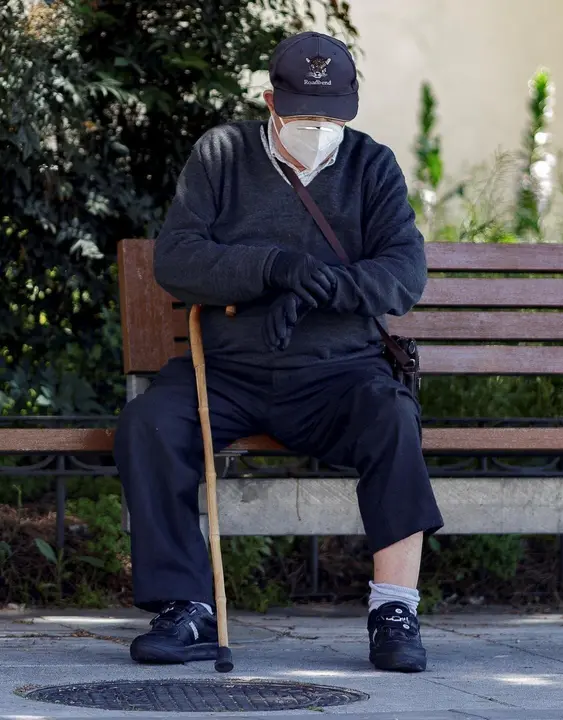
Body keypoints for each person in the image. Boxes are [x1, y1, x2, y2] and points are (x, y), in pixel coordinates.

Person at [113, 31, 444, 674]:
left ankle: (394, 609)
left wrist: (323, 291)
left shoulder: (372, 165)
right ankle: (185, 607)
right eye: (303, 116)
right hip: (231, 370)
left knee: (393, 417)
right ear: (271, 102)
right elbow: (178, 259)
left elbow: (405, 272)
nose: (318, 129)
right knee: (149, 423)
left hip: (336, 375)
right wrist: (274, 268)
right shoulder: (223, 154)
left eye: (331, 117)